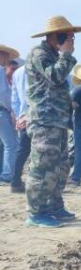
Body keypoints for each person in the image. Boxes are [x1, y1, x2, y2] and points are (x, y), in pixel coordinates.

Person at [25, 16, 81, 227]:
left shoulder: (54, 55)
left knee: (60, 167)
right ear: (54, 35)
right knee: (43, 167)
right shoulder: (39, 53)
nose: (71, 40)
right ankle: (36, 212)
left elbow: (55, 89)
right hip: (44, 121)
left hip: (58, 121)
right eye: (67, 36)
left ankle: (54, 206)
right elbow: (55, 77)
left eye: (72, 36)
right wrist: (67, 55)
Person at [10, 62, 31, 193]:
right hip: (38, 116)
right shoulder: (40, 69)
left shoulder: (17, 73)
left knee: (22, 150)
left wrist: (19, 117)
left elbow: (15, 98)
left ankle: (15, 181)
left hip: (23, 116)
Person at [0, 45, 19, 185]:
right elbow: (3, 93)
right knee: (12, 144)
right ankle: (7, 175)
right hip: (2, 111)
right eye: (6, 56)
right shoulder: (0, 70)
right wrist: (11, 110)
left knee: (5, 144)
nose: (8, 59)